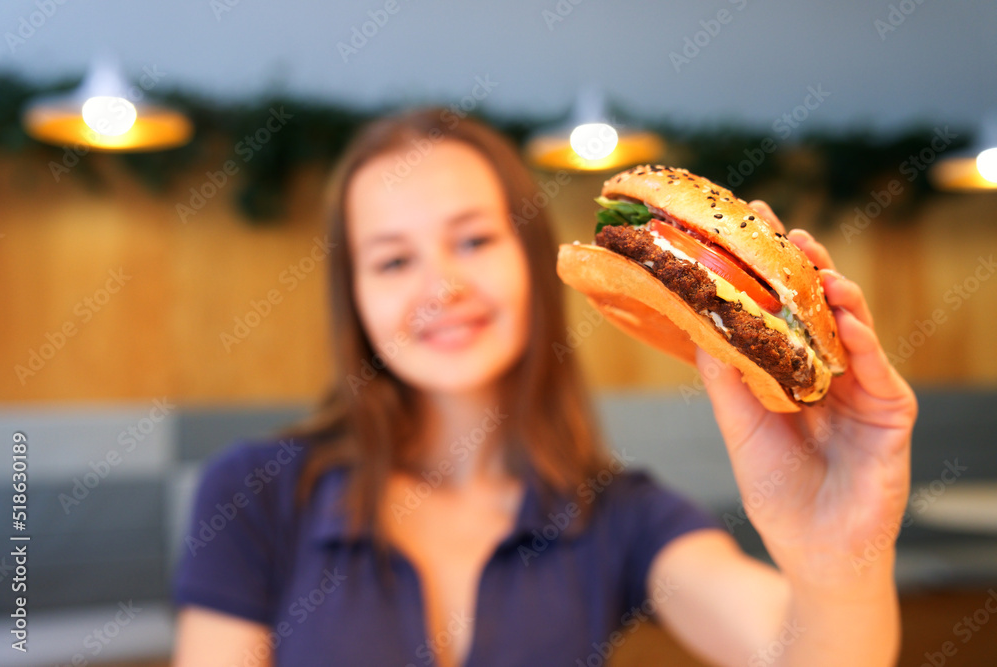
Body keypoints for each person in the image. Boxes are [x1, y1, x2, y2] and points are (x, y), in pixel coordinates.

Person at [171, 107, 917, 667]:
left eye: (473, 239)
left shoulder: (622, 516)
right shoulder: (252, 495)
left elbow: (799, 651)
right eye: (393, 260)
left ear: (529, 256)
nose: (442, 286)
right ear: (355, 297)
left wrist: (836, 558)